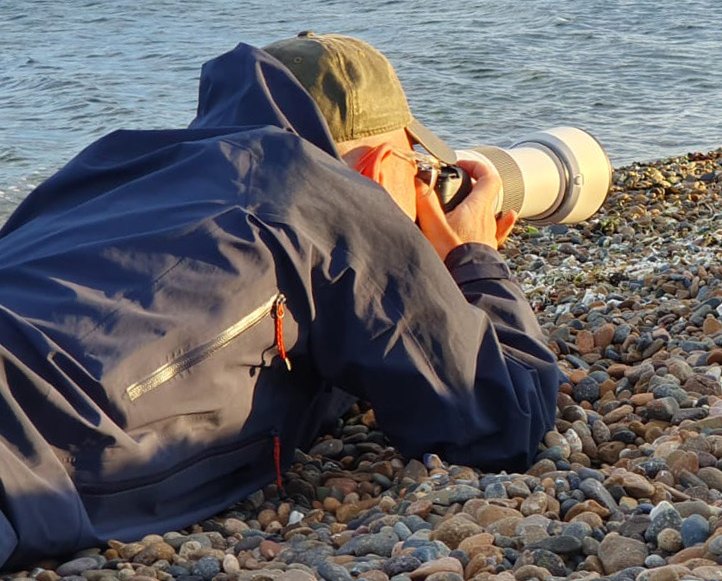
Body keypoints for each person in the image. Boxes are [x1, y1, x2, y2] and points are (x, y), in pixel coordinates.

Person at [0, 33, 559, 568]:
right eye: (415, 167)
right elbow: (498, 416)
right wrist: (473, 257)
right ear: (378, 169)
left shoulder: (111, 163)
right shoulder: (313, 189)